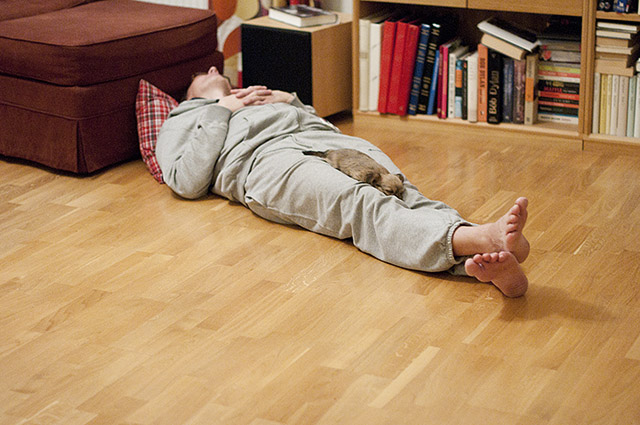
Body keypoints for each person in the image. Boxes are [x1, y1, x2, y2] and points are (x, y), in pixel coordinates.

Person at [156, 66, 530, 297]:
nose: (212, 68)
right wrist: (221, 110)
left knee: (400, 189)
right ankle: (481, 239)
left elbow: (316, 121)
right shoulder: (181, 119)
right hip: (265, 160)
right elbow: (185, 181)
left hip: (323, 139)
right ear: (188, 95)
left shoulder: (253, 94)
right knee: (357, 200)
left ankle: (481, 264)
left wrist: (291, 101)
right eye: (201, 74)